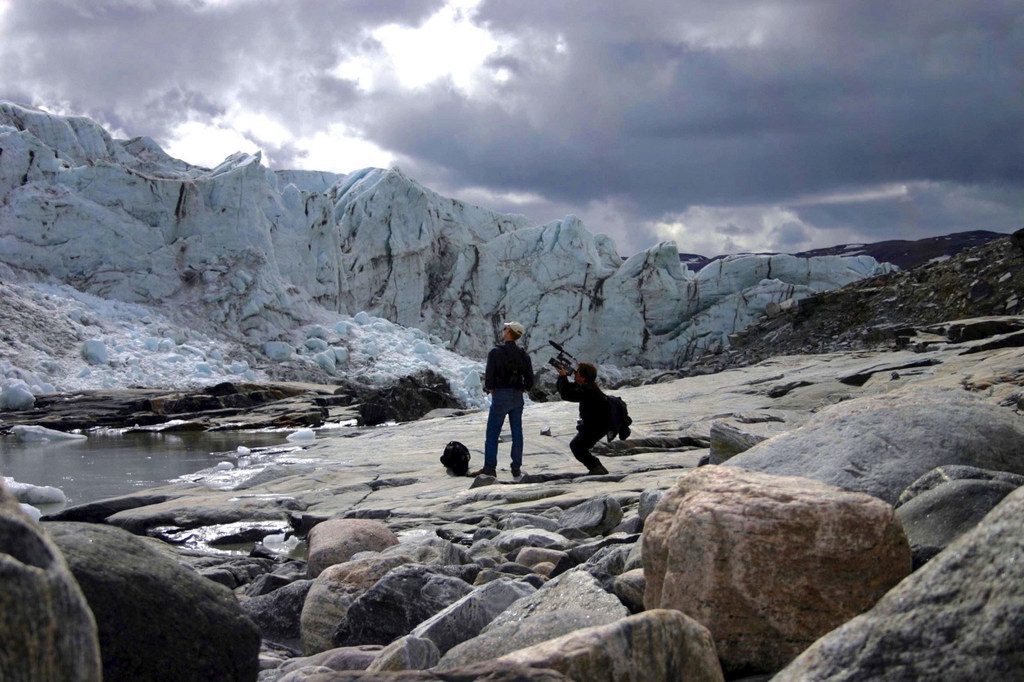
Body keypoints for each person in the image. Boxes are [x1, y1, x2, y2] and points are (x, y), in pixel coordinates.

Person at [470, 321, 534, 479]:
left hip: (501, 395)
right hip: (517, 396)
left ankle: (490, 467)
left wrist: (493, 390)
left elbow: (489, 377)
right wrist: (522, 388)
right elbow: (530, 380)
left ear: (509, 332)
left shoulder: (495, 352)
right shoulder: (523, 355)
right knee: (517, 433)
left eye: (506, 328)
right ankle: (516, 468)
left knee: (493, 432)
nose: (503, 330)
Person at [556, 361, 611, 475]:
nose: (575, 375)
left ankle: (597, 468)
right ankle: (597, 467)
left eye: (577, 373)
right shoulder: (589, 386)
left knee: (577, 446)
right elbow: (569, 389)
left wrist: (563, 376)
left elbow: (567, 394)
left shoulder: (588, 389)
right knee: (579, 446)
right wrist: (563, 378)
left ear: (583, 377)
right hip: (599, 424)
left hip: (598, 425)